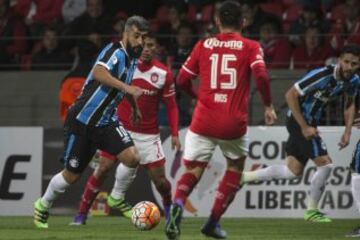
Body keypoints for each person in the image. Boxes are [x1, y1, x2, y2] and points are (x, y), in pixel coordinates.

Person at [165, 1, 277, 239]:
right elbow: (262, 76)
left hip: (202, 120)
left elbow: (181, 80)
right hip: (232, 123)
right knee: (235, 167)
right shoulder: (250, 46)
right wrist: (268, 105)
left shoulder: (203, 45)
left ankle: (177, 203)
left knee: (194, 168)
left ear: (217, 21)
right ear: (243, 22)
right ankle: (212, 222)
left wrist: (198, 97)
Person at [33, 15, 149, 229]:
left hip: (106, 121)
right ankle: (43, 204)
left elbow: (126, 85)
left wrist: (134, 107)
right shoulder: (114, 50)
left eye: (143, 37)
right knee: (71, 175)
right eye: (137, 36)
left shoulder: (133, 58)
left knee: (132, 158)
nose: (140, 42)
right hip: (83, 120)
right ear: (125, 33)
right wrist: (127, 89)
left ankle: (116, 197)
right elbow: (98, 72)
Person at [70, 34, 181, 225]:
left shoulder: (164, 74)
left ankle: (170, 212)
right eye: (144, 45)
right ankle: (81, 215)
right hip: (120, 128)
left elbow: (171, 106)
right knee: (102, 168)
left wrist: (174, 133)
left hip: (148, 135)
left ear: (156, 48)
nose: (147, 49)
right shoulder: (127, 65)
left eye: (151, 45)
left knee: (161, 181)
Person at [242, 44, 360, 223]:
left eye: (354, 64)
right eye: (346, 62)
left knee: (293, 171)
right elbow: (290, 95)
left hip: (309, 122)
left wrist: (348, 131)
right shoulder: (322, 75)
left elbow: (350, 104)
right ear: (339, 60)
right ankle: (312, 211)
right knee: (326, 165)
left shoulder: (353, 81)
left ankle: (243, 177)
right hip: (299, 122)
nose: (349, 67)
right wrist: (304, 126)